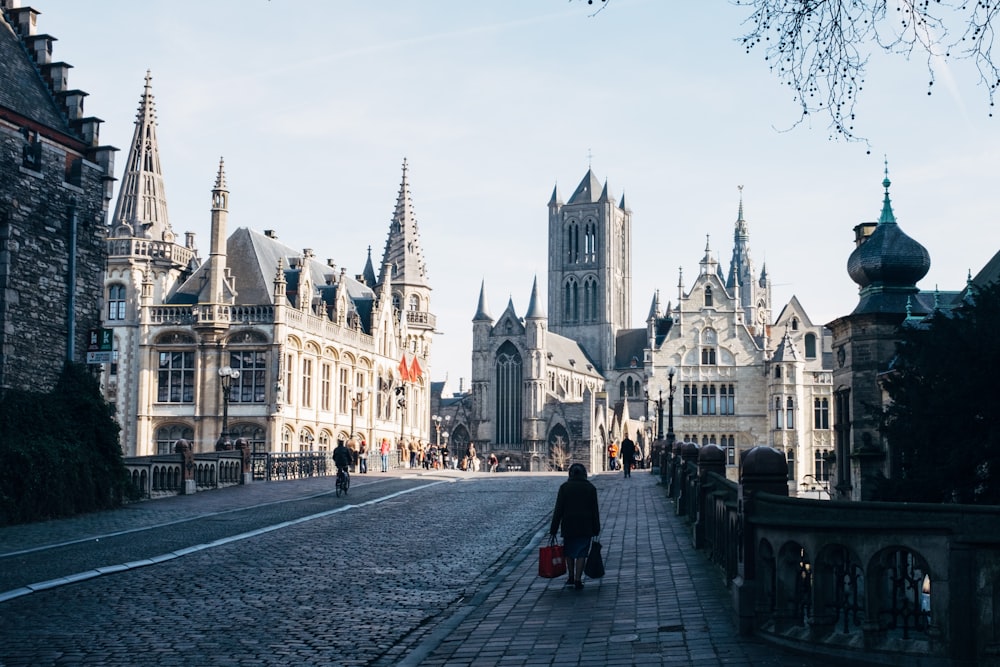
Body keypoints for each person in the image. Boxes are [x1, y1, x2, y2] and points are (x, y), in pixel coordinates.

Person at [549, 463, 600, 590]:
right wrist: (596, 528)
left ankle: (571, 576)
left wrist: (553, 528)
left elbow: (558, 510)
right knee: (582, 552)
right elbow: (595, 511)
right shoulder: (590, 488)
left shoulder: (564, 488)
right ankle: (578, 579)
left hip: (569, 524)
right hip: (585, 525)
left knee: (569, 552)